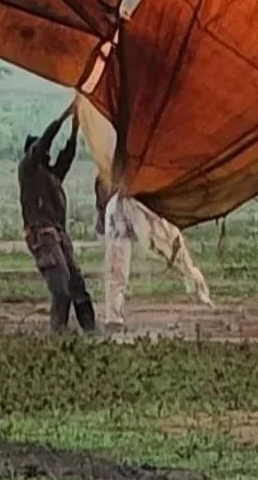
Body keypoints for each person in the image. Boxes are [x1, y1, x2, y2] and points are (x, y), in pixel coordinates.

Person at [18, 114, 96, 334]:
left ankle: (91, 331)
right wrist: (62, 118)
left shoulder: (51, 176)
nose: (45, 152)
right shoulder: (28, 170)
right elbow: (45, 142)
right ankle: (58, 333)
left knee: (77, 285)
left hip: (58, 234)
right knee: (61, 288)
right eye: (39, 149)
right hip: (41, 235)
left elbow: (67, 157)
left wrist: (74, 130)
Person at [101, 187, 212, 329]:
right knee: (116, 267)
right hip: (129, 206)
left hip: (142, 203)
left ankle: (114, 317)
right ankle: (113, 318)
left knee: (172, 248)